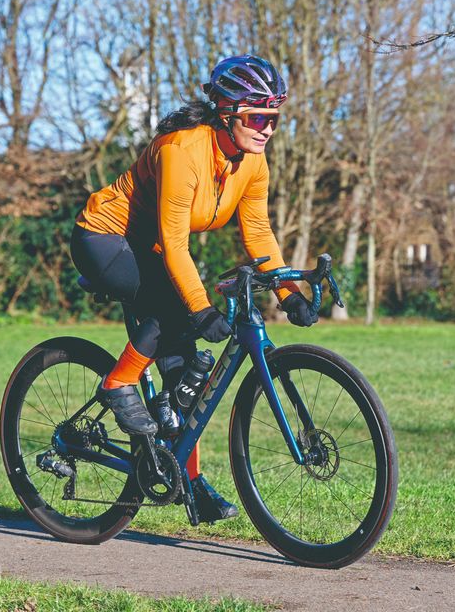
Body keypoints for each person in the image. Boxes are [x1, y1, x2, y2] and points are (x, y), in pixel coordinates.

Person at [69, 54, 318, 523]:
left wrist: (290, 295)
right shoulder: (182, 149)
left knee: (186, 380)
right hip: (105, 238)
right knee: (175, 310)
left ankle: (189, 482)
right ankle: (118, 383)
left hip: (152, 249)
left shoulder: (253, 163)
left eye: (274, 119)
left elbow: (259, 234)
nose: (267, 129)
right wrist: (202, 309)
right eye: (257, 117)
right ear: (227, 112)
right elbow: (174, 241)